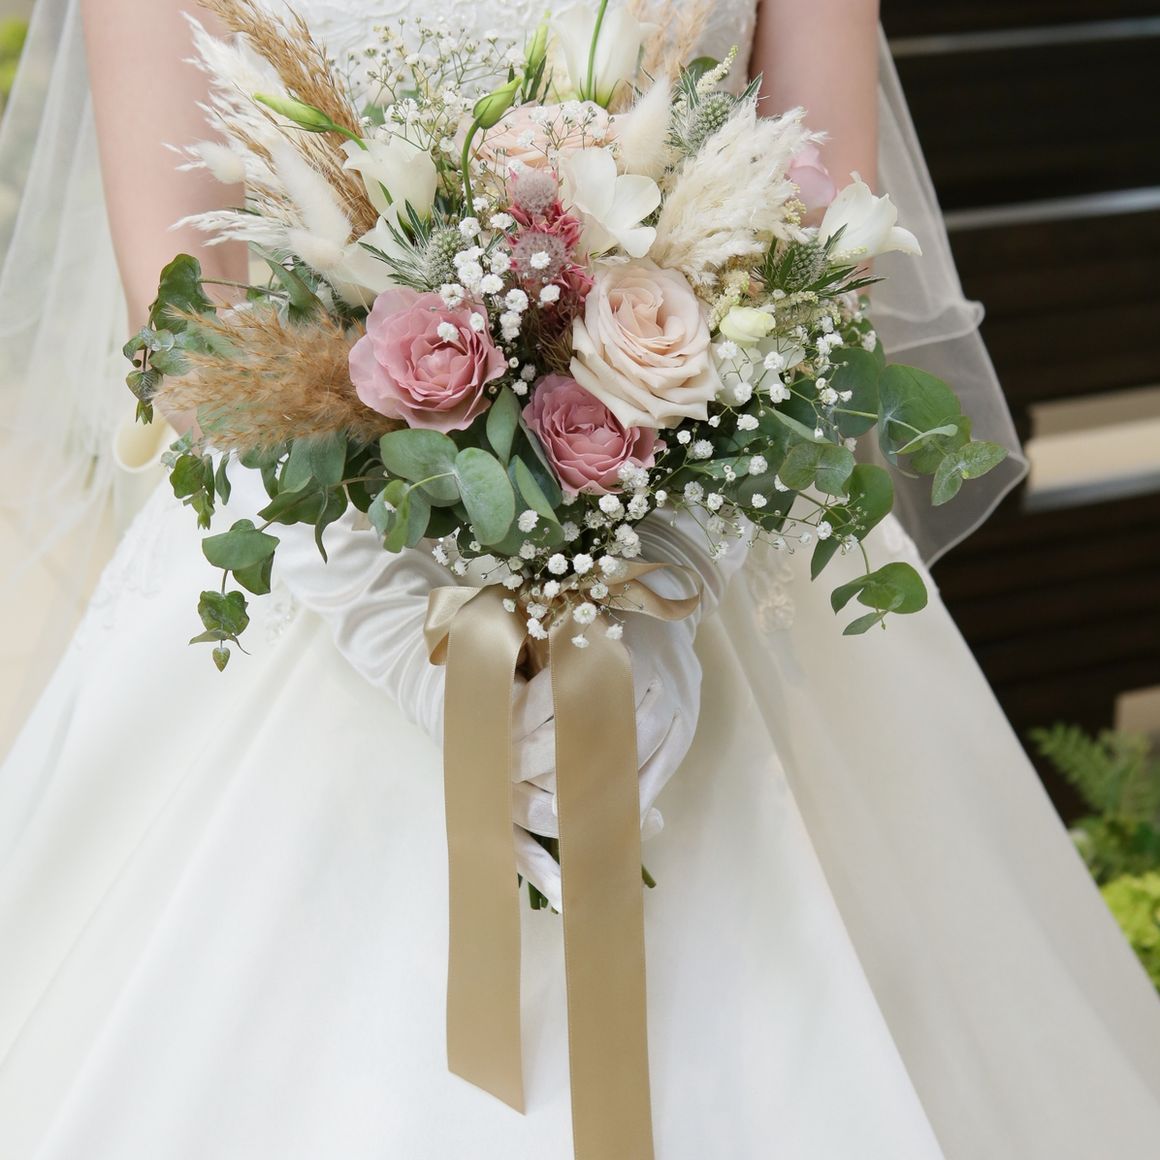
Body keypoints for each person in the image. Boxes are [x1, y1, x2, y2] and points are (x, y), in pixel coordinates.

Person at [1, 1, 1158, 1157]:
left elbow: (828, 242)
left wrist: (674, 558)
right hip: (315, 544)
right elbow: (190, 317)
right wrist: (399, 626)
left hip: (718, 522)